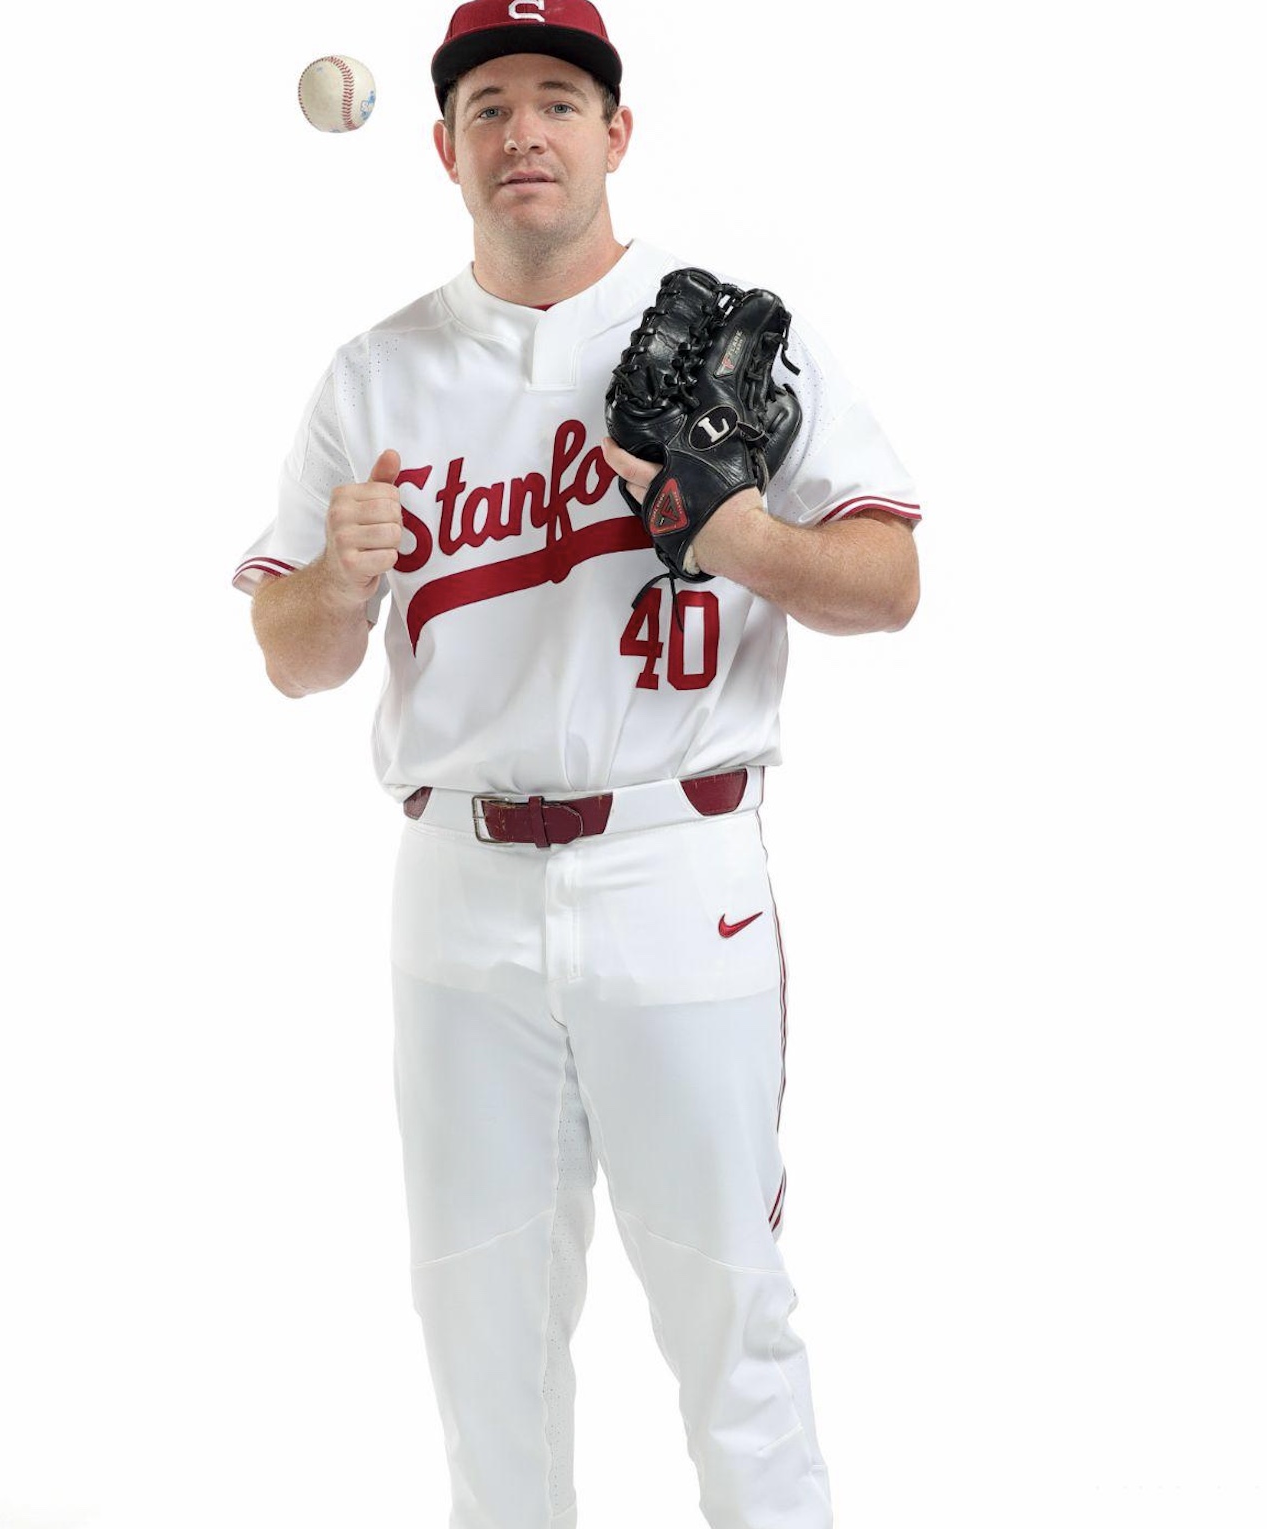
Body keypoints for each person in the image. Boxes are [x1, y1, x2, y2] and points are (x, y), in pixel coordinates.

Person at [234, 2, 921, 1525]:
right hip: (458, 893)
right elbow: (290, 653)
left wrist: (735, 532)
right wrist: (338, 582)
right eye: (489, 107)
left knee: (733, 1330)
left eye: (559, 99)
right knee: (482, 1352)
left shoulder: (737, 333)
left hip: (678, 874)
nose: (523, 131)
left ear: (618, 134)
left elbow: (892, 583)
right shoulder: (375, 373)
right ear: (444, 149)